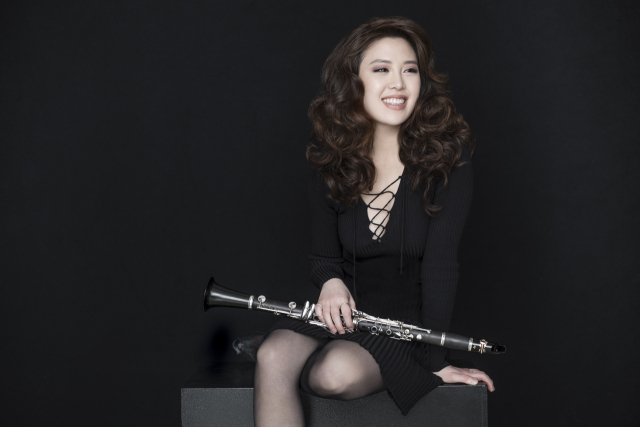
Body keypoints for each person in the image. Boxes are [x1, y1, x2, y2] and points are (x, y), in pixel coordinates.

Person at [250, 16, 495, 427]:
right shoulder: (331, 161)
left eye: (410, 70)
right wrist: (331, 283)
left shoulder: (449, 162)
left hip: (405, 331)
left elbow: (441, 268)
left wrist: (435, 361)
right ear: (354, 82)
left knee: (332, 374)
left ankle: (314, 359)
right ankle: (295, 350)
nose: (398, 83)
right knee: (272, 355)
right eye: (381, 69)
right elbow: (324, 258)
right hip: (339, 317)